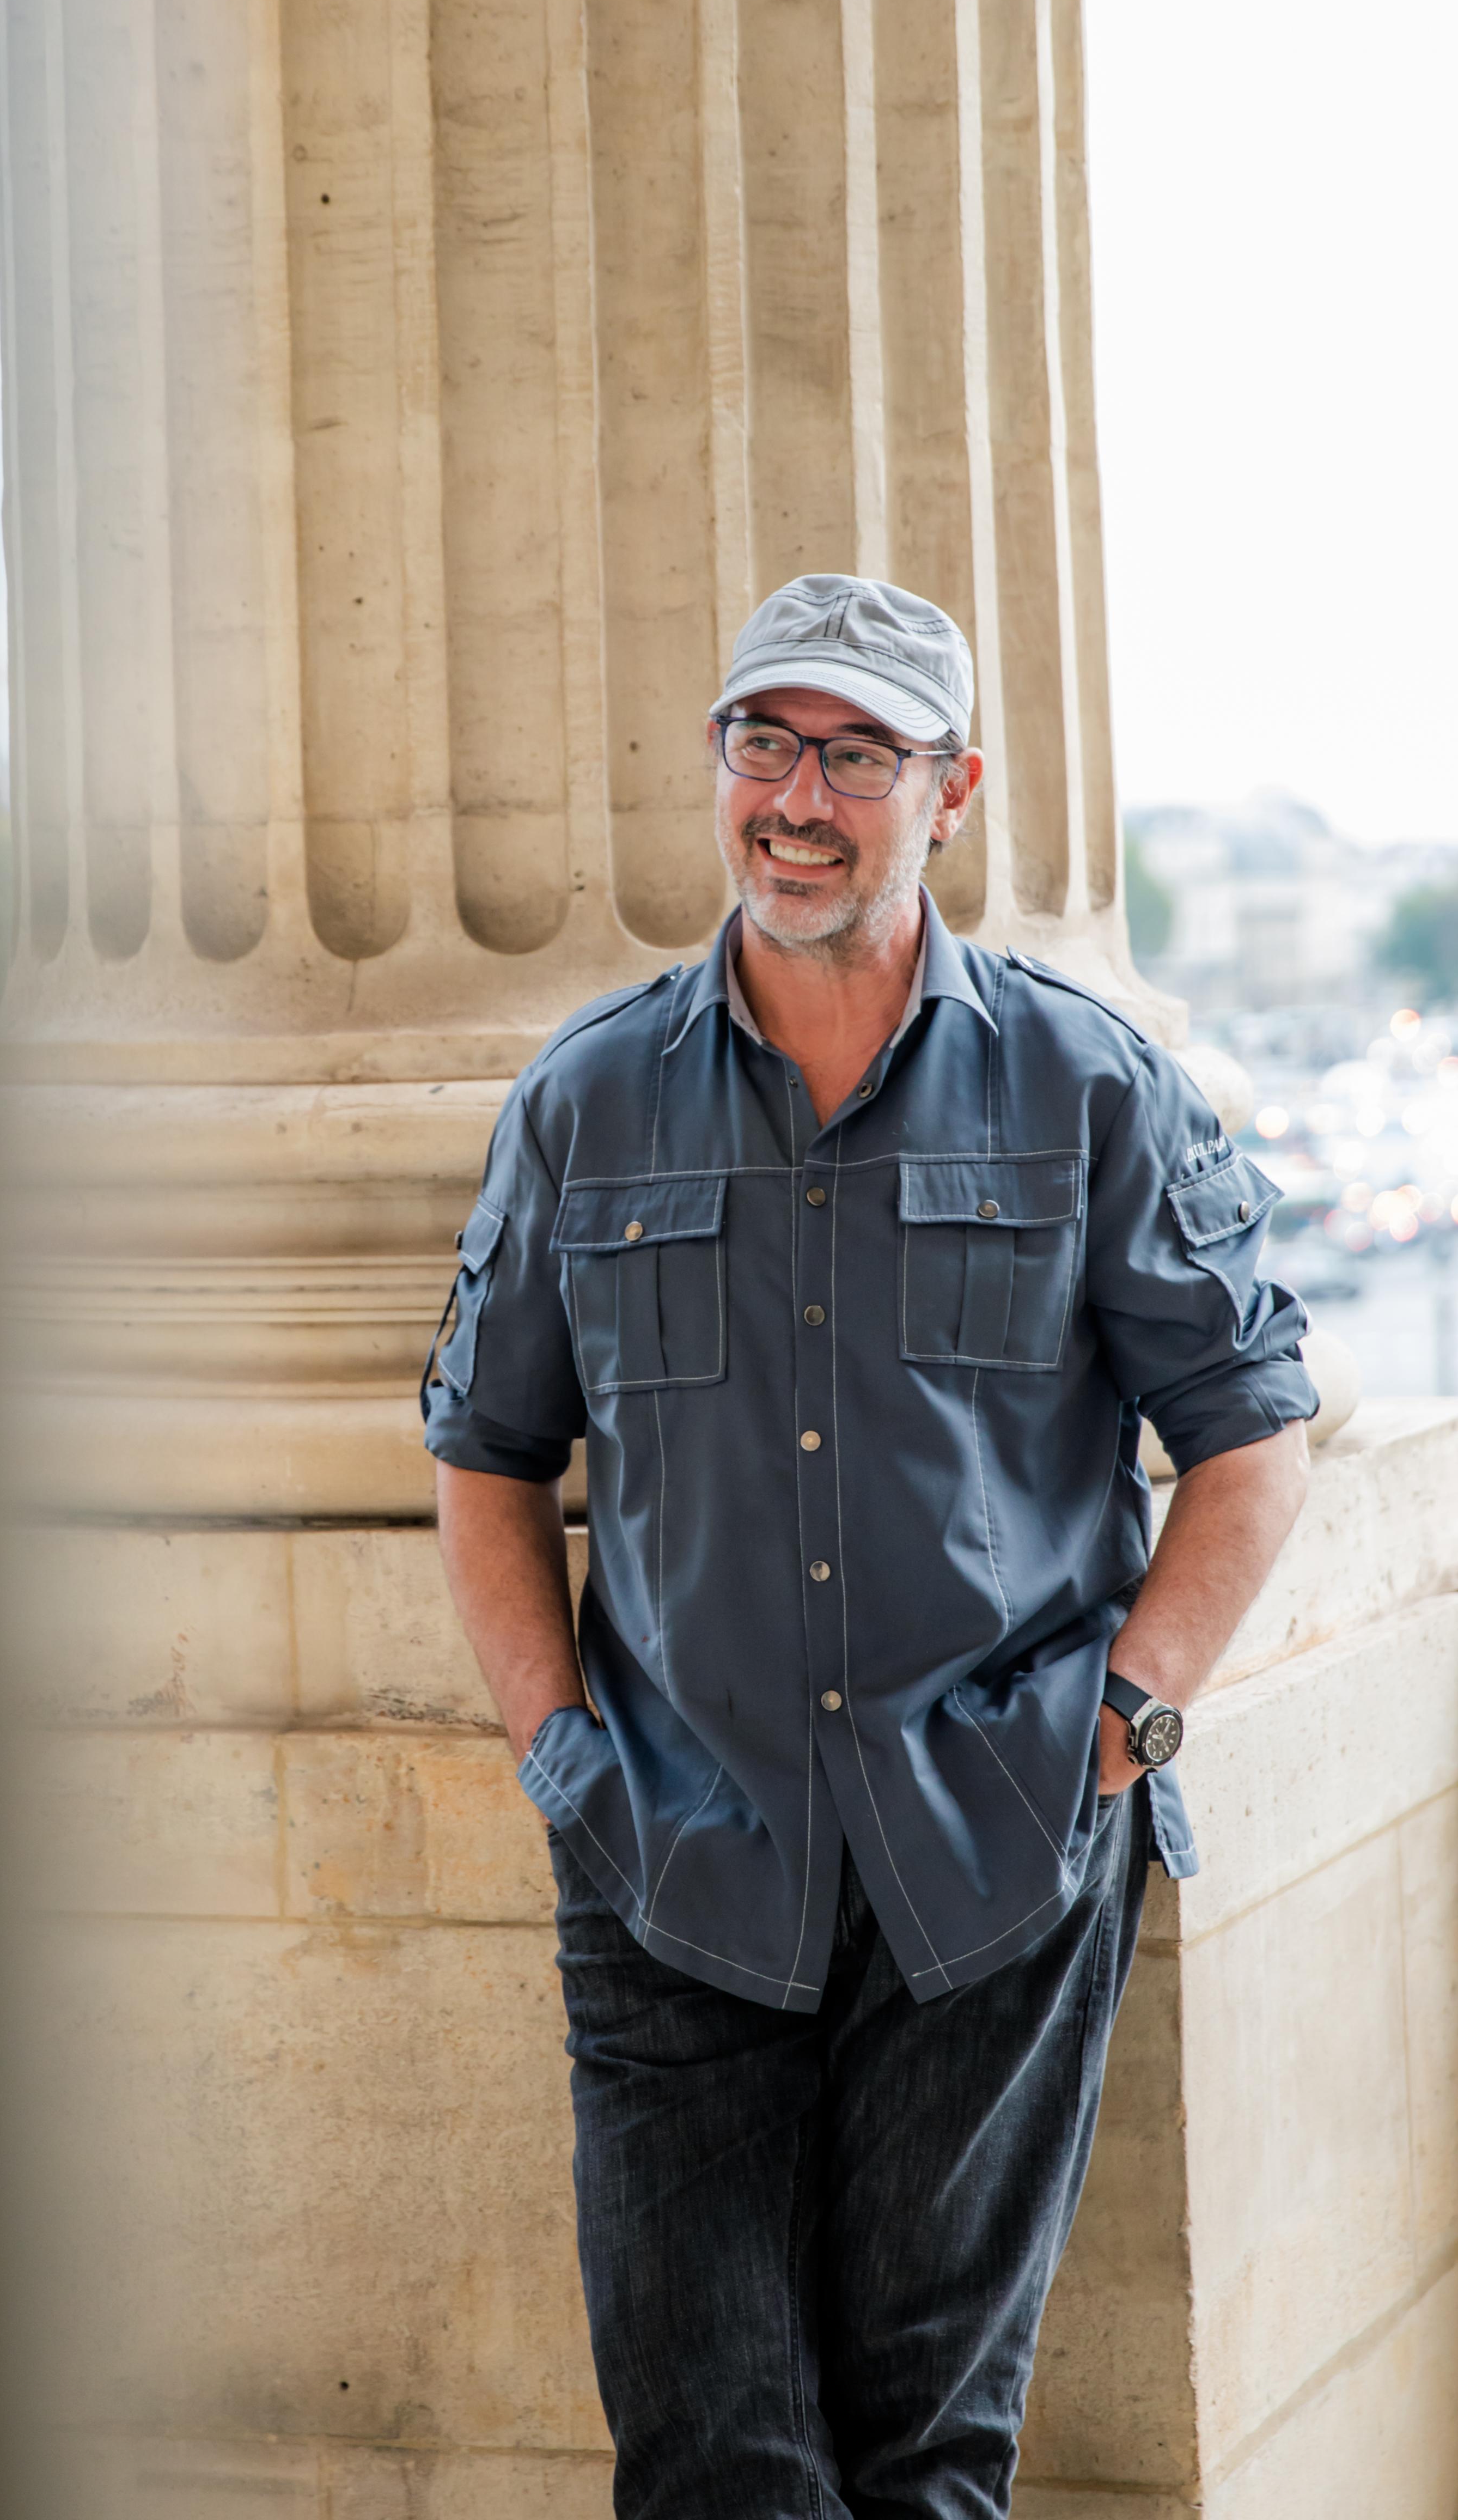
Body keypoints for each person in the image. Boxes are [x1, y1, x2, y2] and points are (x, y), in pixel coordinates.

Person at [422, 574, 1315, 2520]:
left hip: (995, 1860)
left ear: (955, 790)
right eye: (765, 742)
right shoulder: (587, 1101)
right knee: (713, 2468)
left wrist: (1124, 1730)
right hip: (671, 1861)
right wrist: (560, 1759)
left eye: (857, 754)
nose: (798, 798)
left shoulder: (1090, 1088)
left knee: (930, 2466)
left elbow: (1253, 1433)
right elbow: (486, 1453)